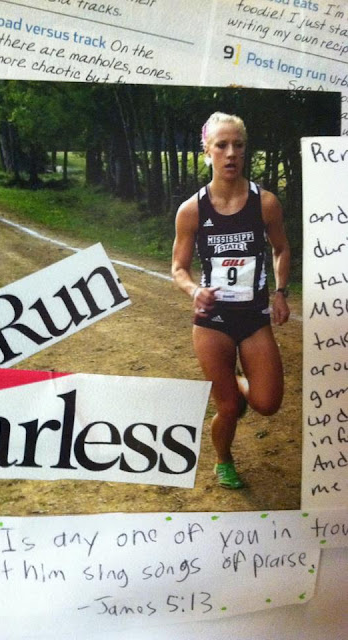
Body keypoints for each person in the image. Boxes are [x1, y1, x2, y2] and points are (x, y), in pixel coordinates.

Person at [171, 112, 290, 489]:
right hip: (213, 323)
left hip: (254, 318)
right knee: (228, 407)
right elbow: (178, 268)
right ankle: (224, 460)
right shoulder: (192, 210)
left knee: (267, 403)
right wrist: (194, 290)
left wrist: (281, 291)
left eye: (238, 145)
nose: (231, 153)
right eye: (221, 145)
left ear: (245, 150)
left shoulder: (265, 203)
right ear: (207, 151)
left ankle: (236, 381)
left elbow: (282, 249)